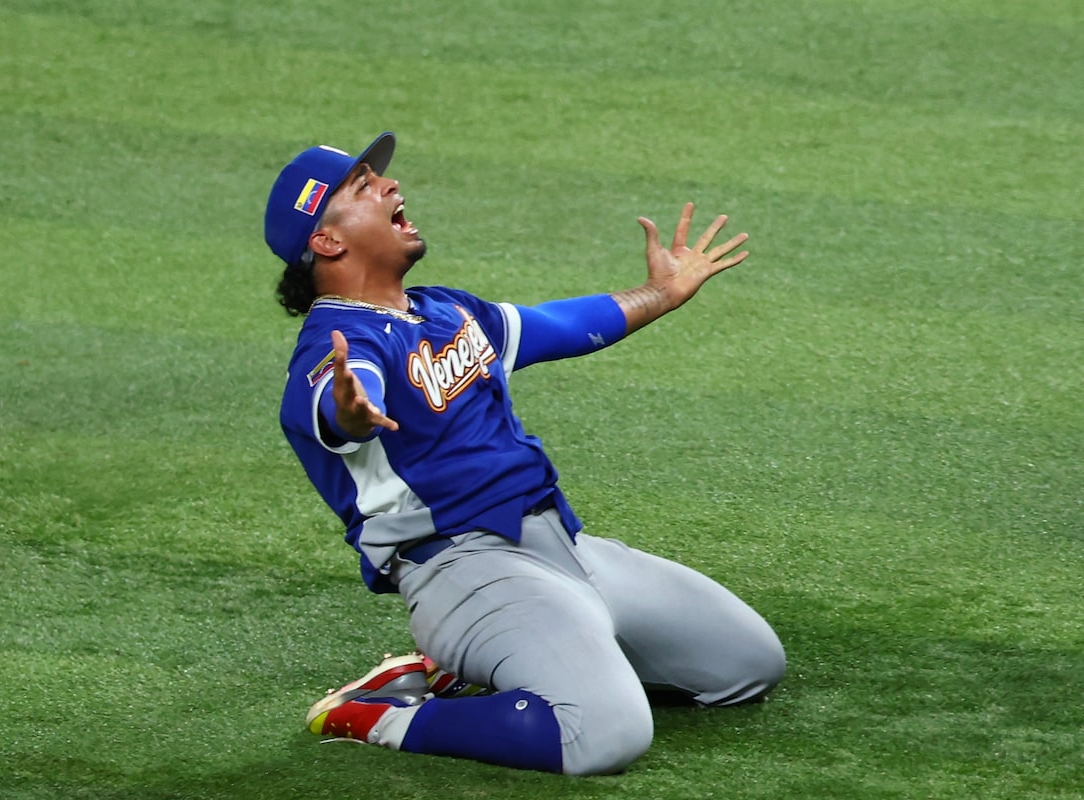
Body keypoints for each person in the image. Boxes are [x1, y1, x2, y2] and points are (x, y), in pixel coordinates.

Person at [264, 132, 785, 776]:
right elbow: (340, 401)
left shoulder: (445, 309)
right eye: (363, 187)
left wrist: (661, 292)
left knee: (747, 665)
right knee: (605, 735)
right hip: (464, 571)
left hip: (564, 547)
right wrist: (352, 407)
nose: (390, 185)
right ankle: (375, 714)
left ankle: (484, 664)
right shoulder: (336, 344)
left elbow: (558, 325)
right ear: (326, 241)